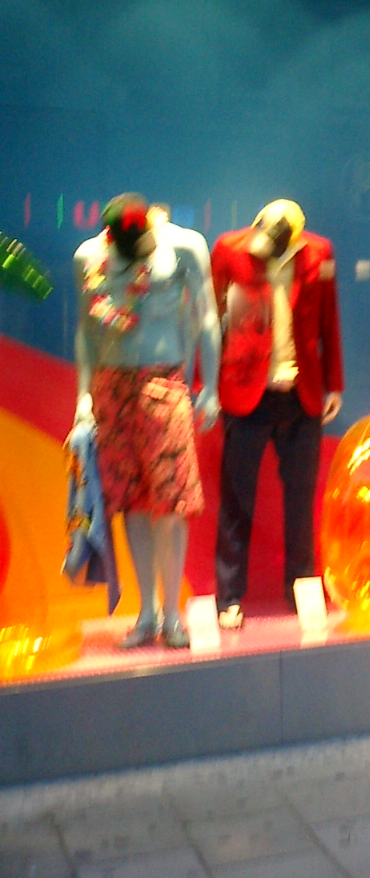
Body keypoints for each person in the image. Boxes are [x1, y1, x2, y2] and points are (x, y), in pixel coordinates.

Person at [72, 193, 220, 648]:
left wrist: (210, 387)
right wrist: (83, 395)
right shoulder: (89, 258)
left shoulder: (184, 247)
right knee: (131, 504)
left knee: (171, 505)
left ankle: (173, 613)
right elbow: (87, 330)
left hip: (163, 381)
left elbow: (207, 317)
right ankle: (148, 612)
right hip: (111, 389)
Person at [211, 200, 344, 628]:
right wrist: (206, 385)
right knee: (237, 500)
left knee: (302, 500)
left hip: (301, 394)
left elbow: (328, 318)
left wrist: (334, 382)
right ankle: (229, 596)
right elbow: (211, 321)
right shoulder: (230, 250)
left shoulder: (319, 253)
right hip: (245, 392)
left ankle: (301, 589)